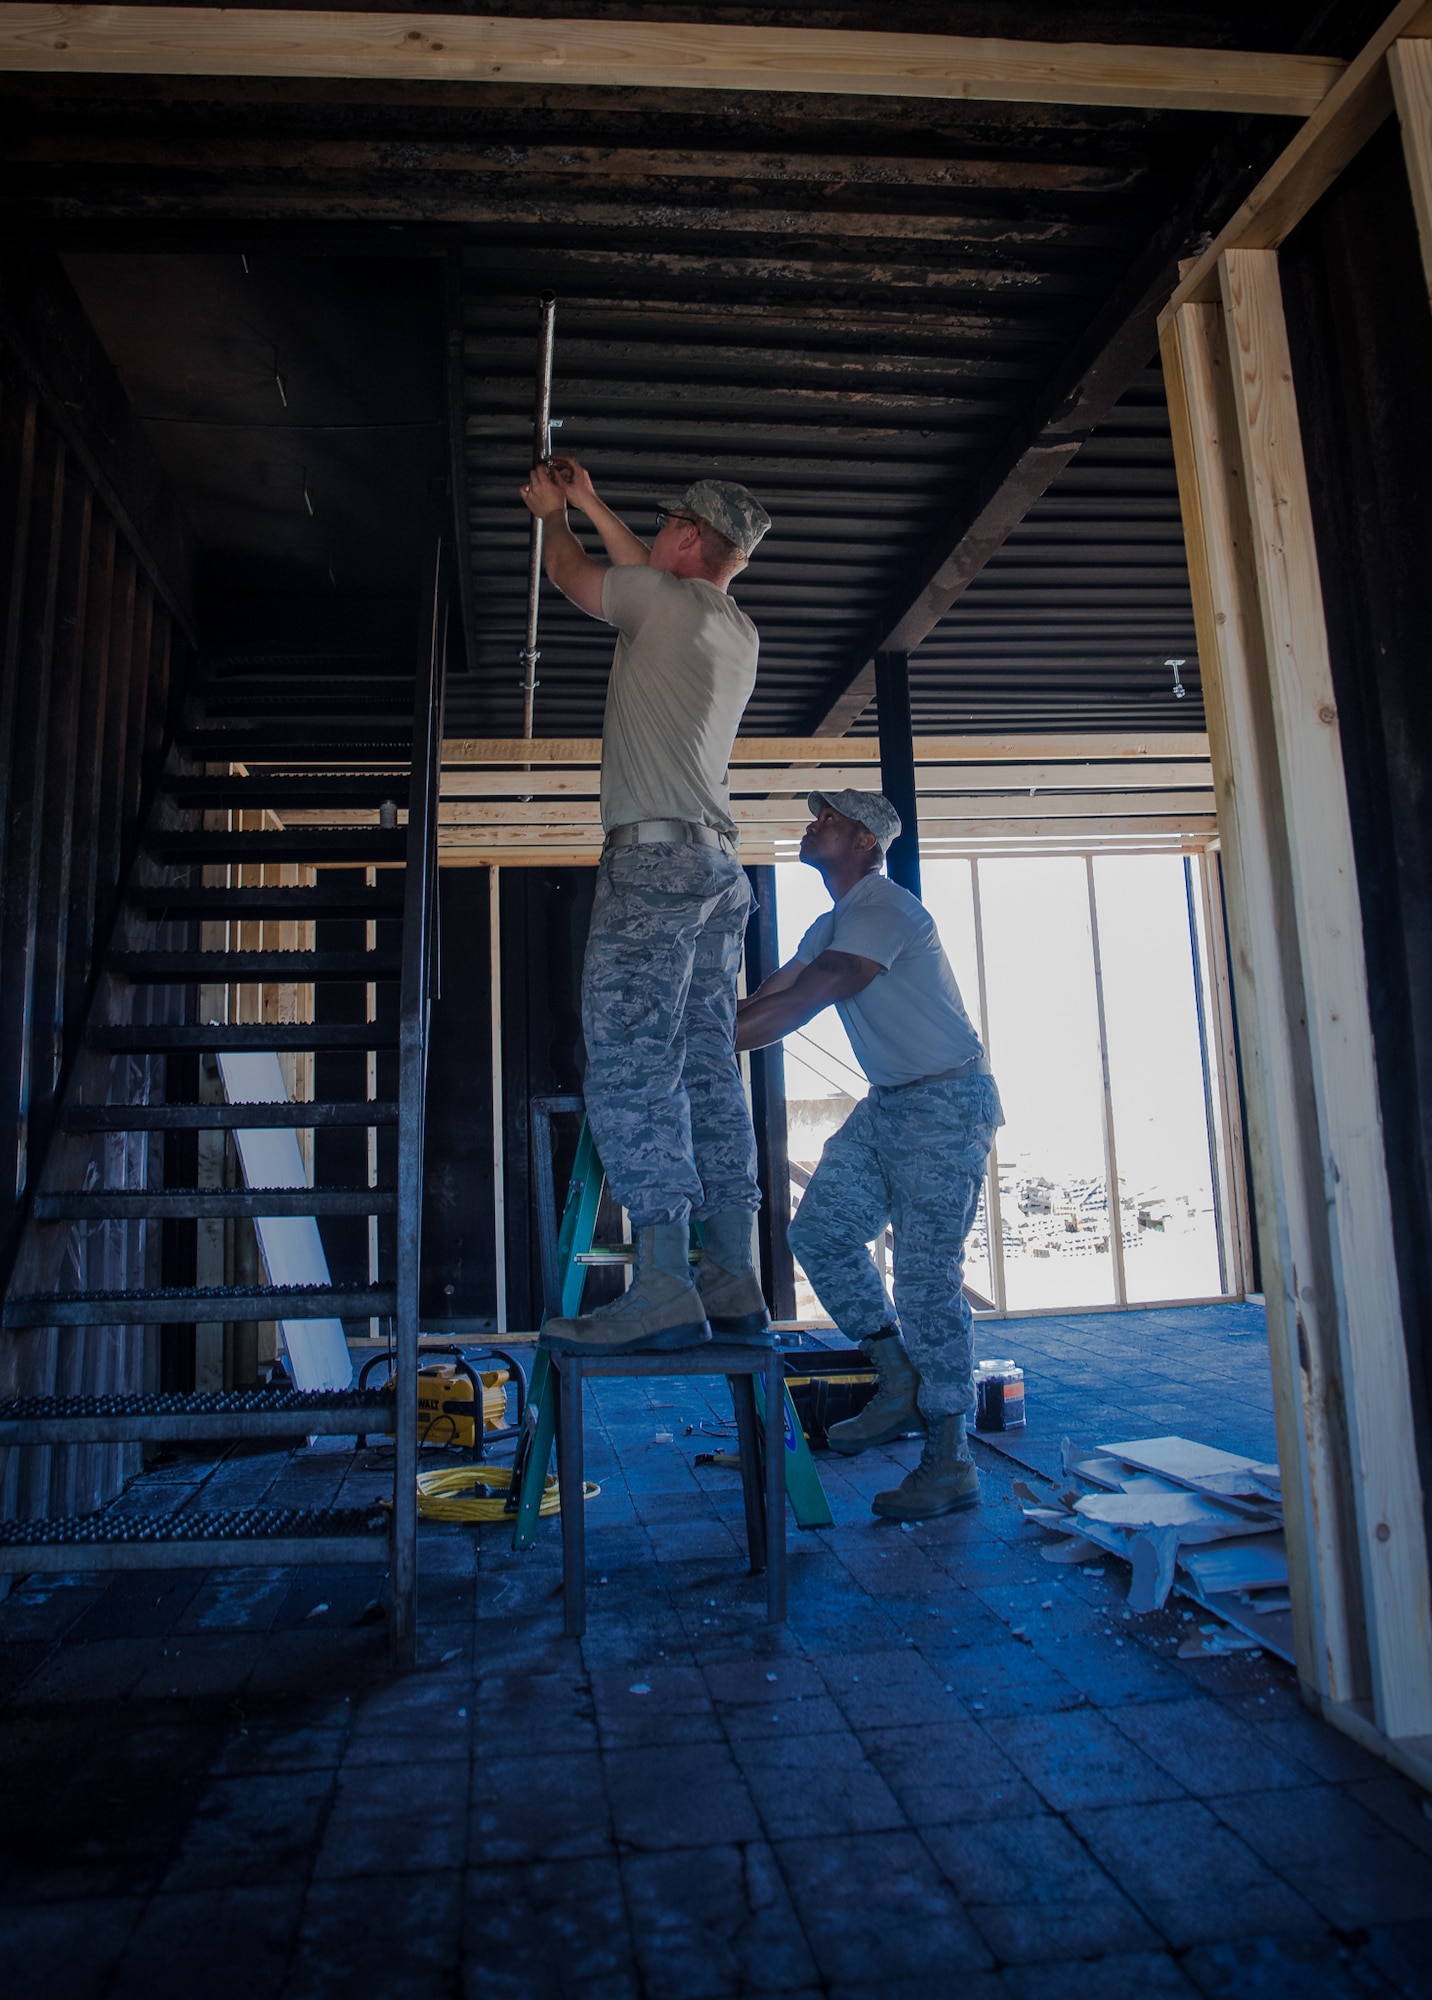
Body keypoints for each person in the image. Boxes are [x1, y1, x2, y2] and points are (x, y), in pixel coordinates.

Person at [518, 456, 773, 1356]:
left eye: (665, 523)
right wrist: (589, 500)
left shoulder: (661, 604)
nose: (656, 532)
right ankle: (732, 1276)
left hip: (655, 867)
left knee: (631, 1061)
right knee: (708, 1067)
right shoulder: (730, 625)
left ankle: (661, 1284)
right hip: (717, 873)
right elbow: (650, 572)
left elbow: (575, 577)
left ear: (691, 535)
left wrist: (553, 516)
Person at [734, 791, 1002, 1519]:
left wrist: (709, 1043)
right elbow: (776, 993)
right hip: (892, 1105)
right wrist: (704, 1035)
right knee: (819, 1233)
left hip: (946, 1104)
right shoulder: (832, 923)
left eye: (828, 819)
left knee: (924, 1281)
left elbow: (826, 986)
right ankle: (897, 1378)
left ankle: (950, 1461)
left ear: (864, 843)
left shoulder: (884, 907)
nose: (811, 824)